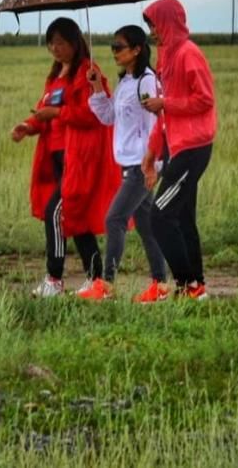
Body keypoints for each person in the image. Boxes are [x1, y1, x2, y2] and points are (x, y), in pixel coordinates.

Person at [11, 17, 120, 298]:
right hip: (55, 156)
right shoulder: (56, 74)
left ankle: (54, 279)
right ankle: (98, 281)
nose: (54, 48)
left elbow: (95, 113)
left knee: (56, 213)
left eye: (60, 42)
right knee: (76, 215)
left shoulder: (89, 73)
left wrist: (58, 114)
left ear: (75, 42)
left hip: (79, 157)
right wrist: (29, 126)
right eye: (51, 43)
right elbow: (42, 110)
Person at [77, 25, 170, 303]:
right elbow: (107, 117)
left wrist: (151, 161)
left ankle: (106, 284)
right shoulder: (126, 82)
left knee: (115, 218)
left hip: (142, 164)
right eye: (112, 47)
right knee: (145, 224)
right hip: (129, 162)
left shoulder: (146, 82)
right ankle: (160, 286)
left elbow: (156, 122)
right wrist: (95, 86)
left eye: (119, 46)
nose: (114, 51)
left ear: (137, 49)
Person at [140, 0, 217, 300]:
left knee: (159, 216)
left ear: (168, 22)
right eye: (149, 25)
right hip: (176, 145)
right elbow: (164, 116)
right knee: (182, 218)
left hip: (194, 146)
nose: (152, 31)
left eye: (154, 24)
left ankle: (189, 286)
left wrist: (165, 103)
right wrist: (151, 153)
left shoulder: (188, 54)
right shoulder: (166, 57)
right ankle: (195, 286)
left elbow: (205, 99)